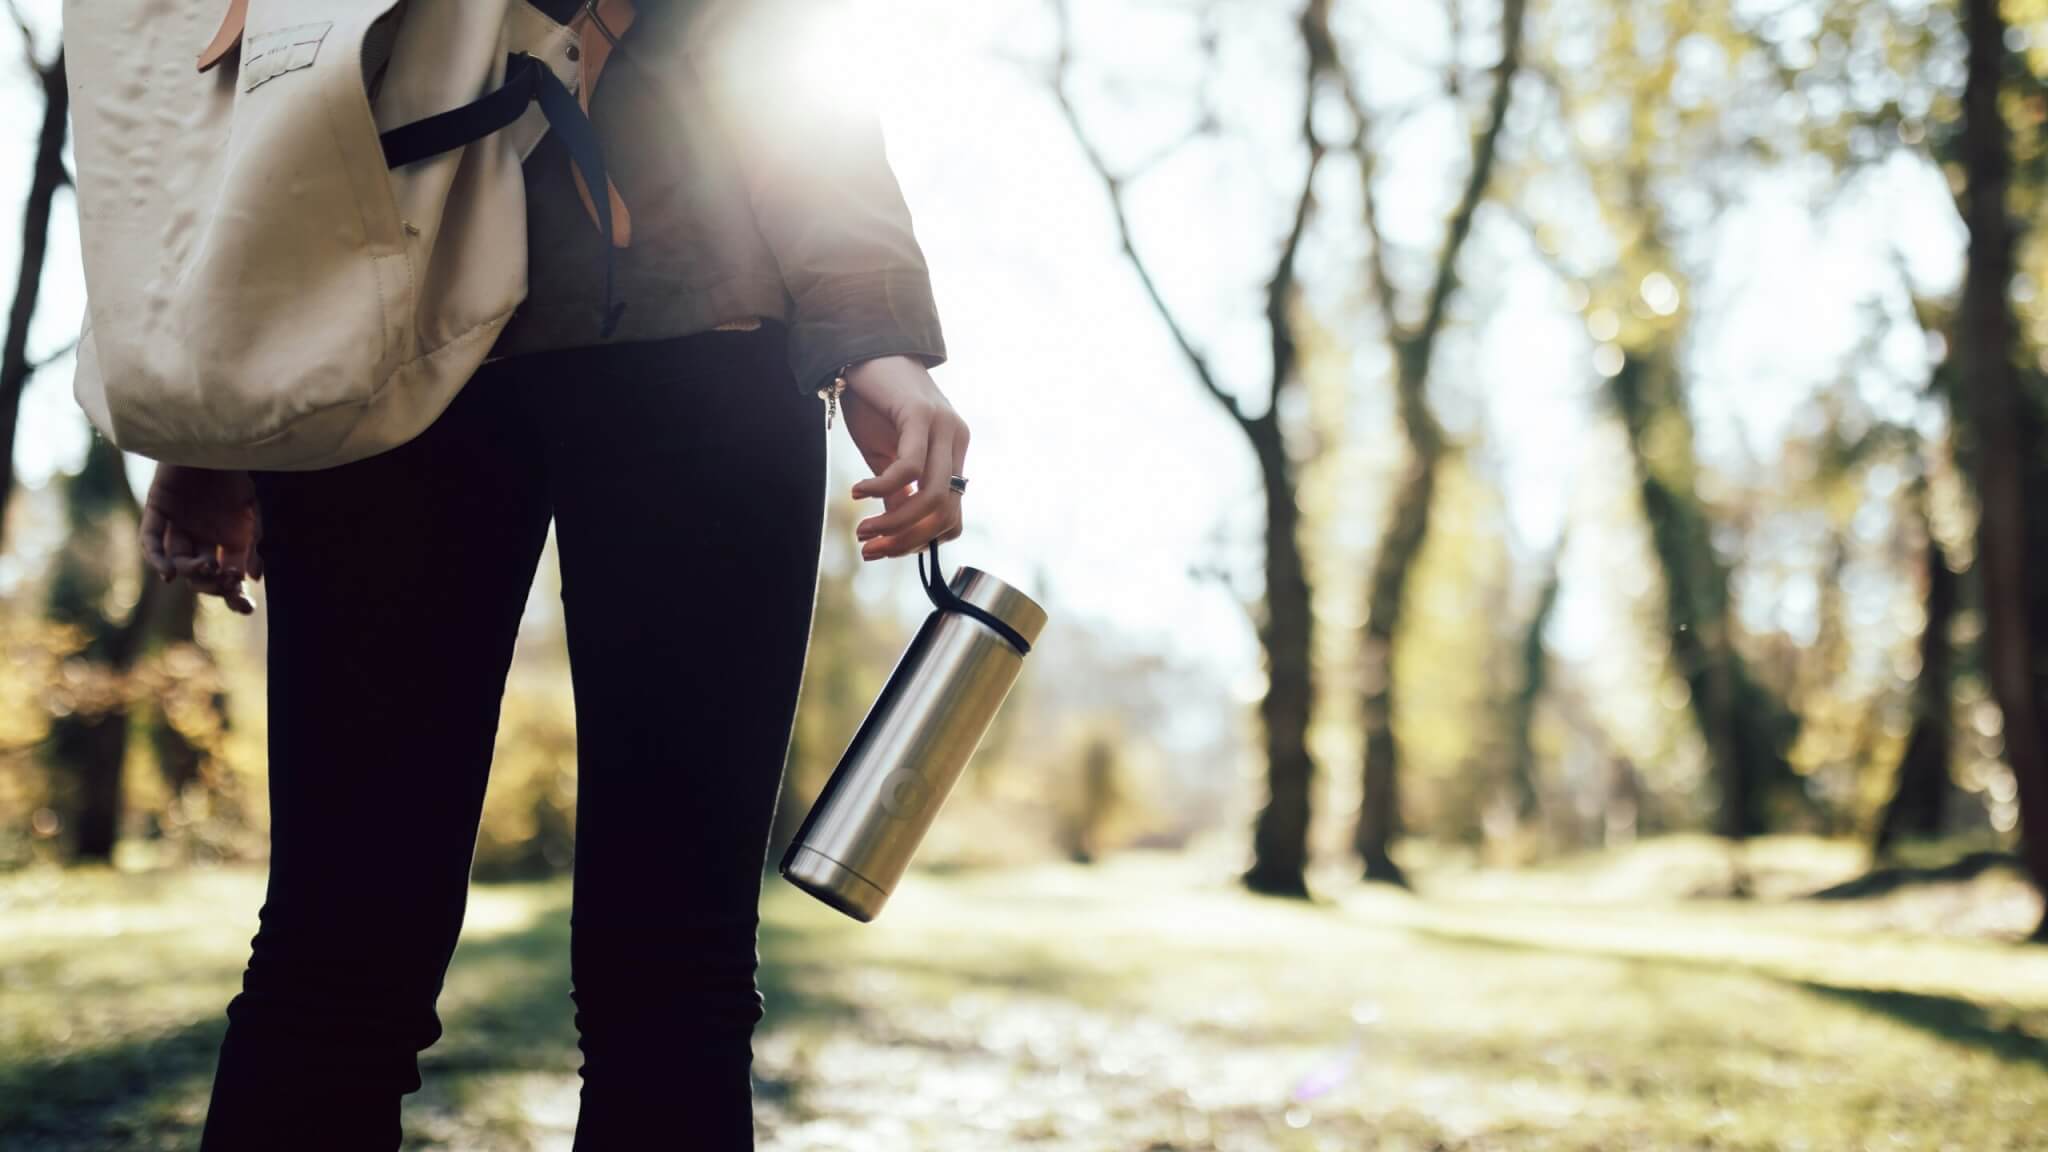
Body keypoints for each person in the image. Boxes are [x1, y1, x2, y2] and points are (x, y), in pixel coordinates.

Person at [136, 3, 966, 1148]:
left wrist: (871, 328)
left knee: (379, 960)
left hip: (578, 328)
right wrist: (209, 412)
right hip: (475, 334)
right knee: (417, 959)